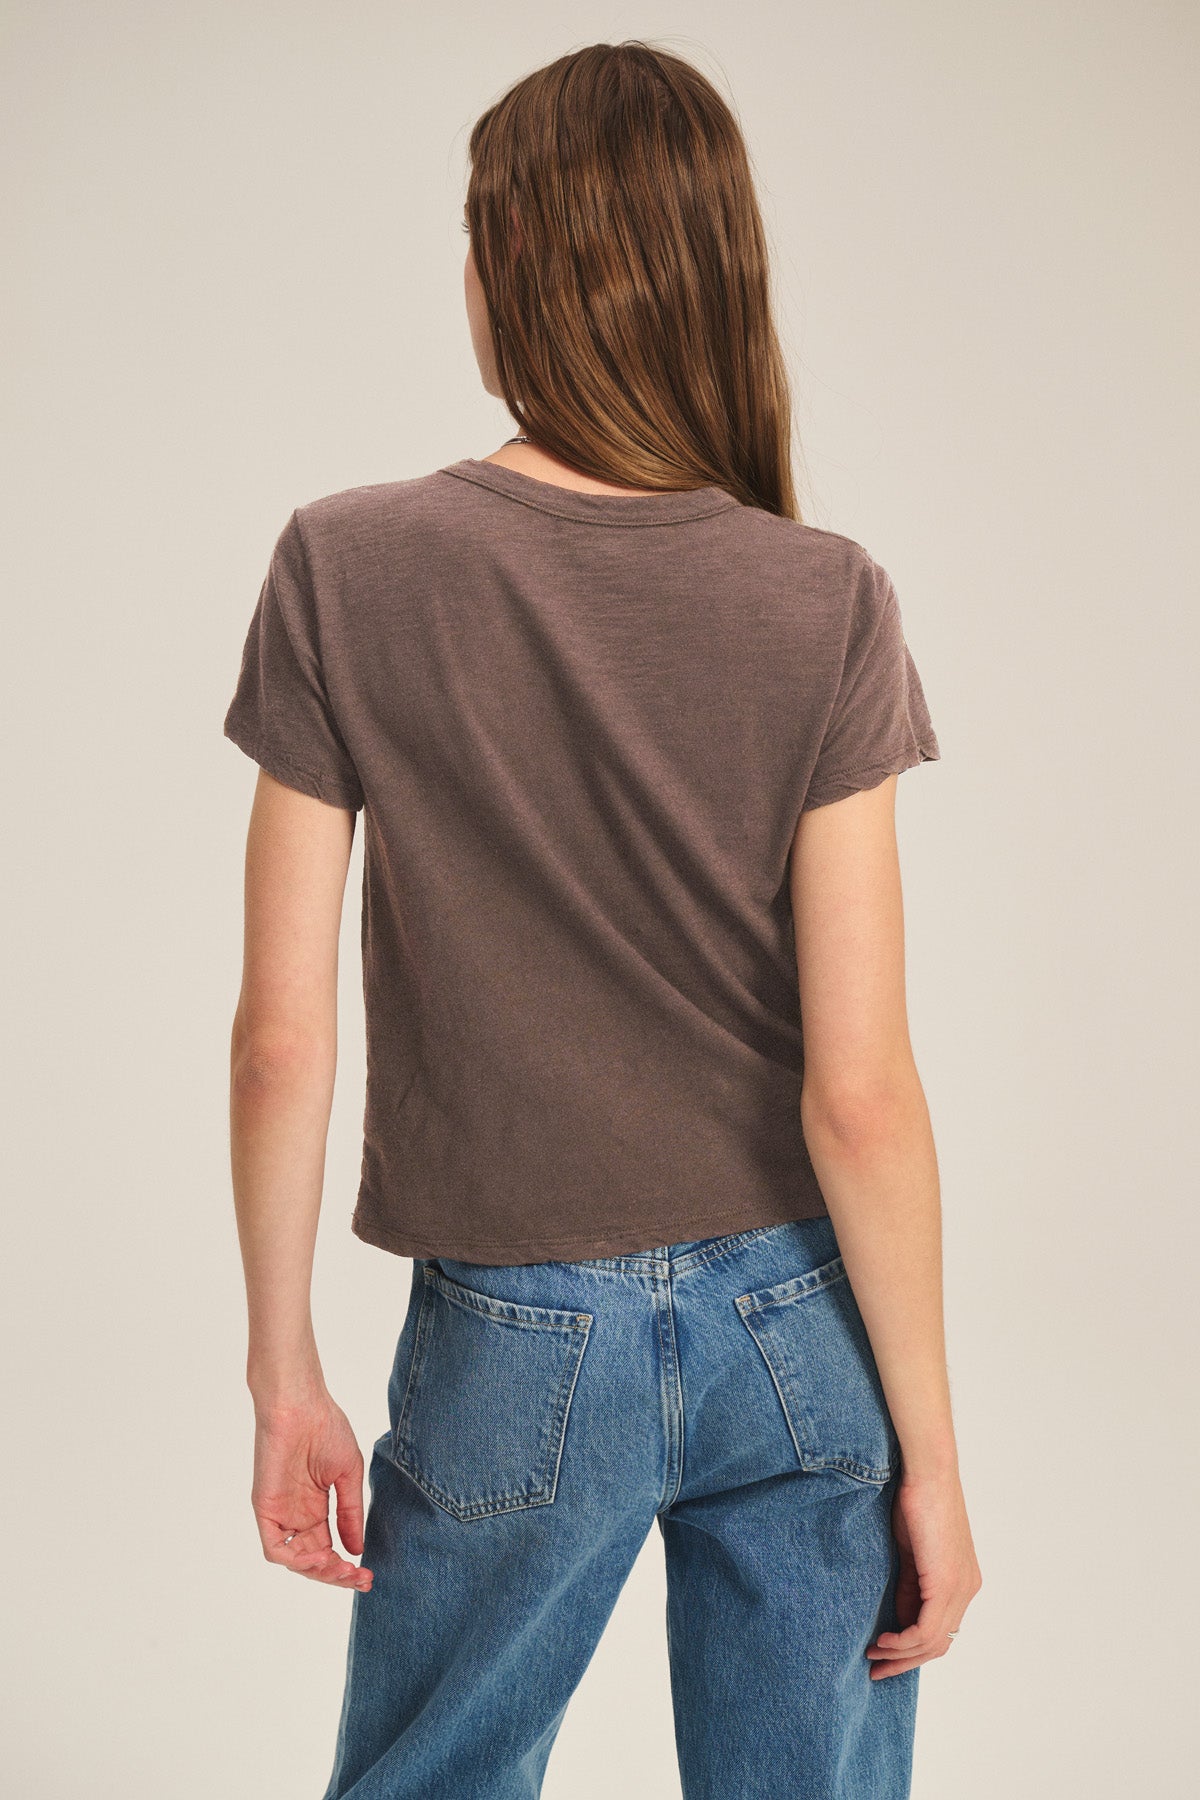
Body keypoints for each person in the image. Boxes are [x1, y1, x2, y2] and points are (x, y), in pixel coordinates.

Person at [223, 39, 981, 1800]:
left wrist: (283, 1372)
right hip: (801, 1327)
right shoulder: (827, 599)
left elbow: (280, 1036)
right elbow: (860, 1089)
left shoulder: (347, 566)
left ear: (508, 276)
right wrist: (928, 1457)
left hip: (511, 1338)